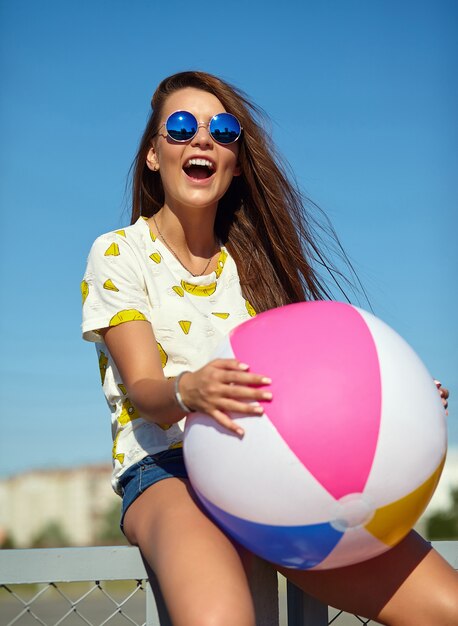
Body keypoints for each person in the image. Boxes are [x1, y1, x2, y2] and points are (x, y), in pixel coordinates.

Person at [81, 71, 456, 626]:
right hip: (166, 469)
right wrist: (193, 388)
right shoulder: (119, 254)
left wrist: (398, 401)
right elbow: (148, 393)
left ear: (234, 163)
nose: (202, 139)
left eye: (223, 131)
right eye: (181, 127)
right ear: (154, 156)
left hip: (274, 475)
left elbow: (309, 386)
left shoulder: (256, 270)